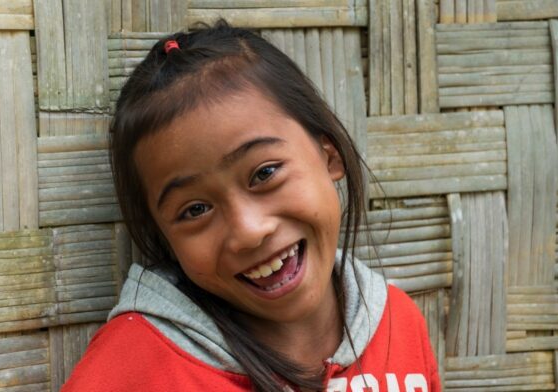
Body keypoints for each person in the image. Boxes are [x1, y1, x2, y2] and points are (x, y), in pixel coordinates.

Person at [62, 20, 441, 392]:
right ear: (164, 236)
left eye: (264, 174)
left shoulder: (398, 324)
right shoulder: (135, 364)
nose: (248, 229)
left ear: (329, 156)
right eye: (195, 210)